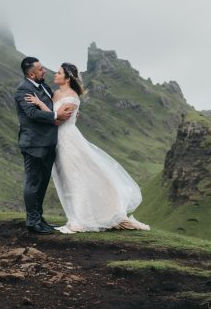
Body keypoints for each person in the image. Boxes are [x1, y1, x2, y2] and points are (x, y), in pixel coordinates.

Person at [25, 62, 150, 233]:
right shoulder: (56, 94)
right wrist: (42, 105)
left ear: (67, 78)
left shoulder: (72, 97)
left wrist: (39, 104)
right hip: (57, 140)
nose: (55, 74)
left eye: (59, 72)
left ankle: (79, 220)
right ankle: (76, 217)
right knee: (66, 180)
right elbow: (52, 115)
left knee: (75, 179)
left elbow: (56, 120)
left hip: (69, 140)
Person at [14, 57, 77, 234]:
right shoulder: (23, 90)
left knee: (42, 183)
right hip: (33, 144)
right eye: (41, 69)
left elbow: (50, 106)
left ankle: (39, 219)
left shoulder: (43, 87)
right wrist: (56, 116)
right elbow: (32, 113)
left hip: (49, 143)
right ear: (31, 73)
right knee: (32, 182)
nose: (45, 71)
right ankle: (32, 222)